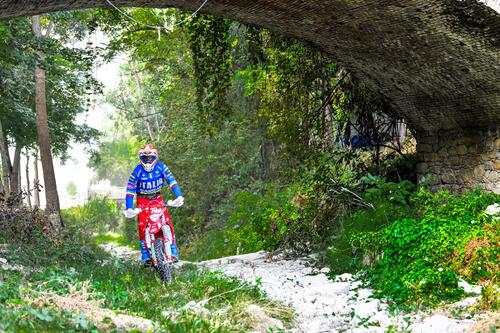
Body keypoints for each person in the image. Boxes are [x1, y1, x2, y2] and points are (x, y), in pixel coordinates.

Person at [123, 144, 184, 267]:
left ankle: (173, 251)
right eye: (145, 158)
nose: (148, 160)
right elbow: (130, 190)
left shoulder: (161, 167)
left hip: (157, 198)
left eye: (150, 157)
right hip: (142, 200)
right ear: (141, 158)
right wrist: (129, 208)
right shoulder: (137, 171)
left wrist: (179, 196)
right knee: (142, 225)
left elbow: (172, 181)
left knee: (167, 222)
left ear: (155, 156)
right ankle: (146, 256)